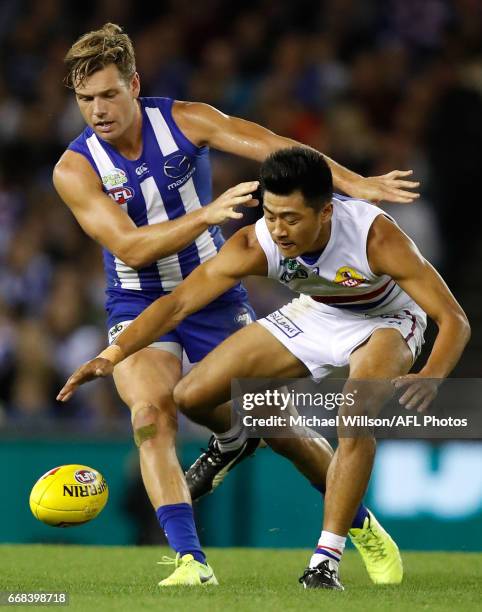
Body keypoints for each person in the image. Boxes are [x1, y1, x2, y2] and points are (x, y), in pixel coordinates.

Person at [53, 22, 420, 587]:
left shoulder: (185, 119)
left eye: (108, 94)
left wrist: (355, 184)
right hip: (138, 299)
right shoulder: (74, 169)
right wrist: (205, 214)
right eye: (84, 99)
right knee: (150, 414)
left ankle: (358, 522)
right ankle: (190, 562)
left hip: (213, 294)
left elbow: (281, 148)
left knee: (279, 428)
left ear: (134, 84)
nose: (97, 110)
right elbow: (127, 245)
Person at [58, 147, 470, 590]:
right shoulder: (257, 242)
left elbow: (454, 319)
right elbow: (176, 304)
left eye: (292, 218)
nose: (279, 229)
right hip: (319, 311)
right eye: (271, 214)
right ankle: (239, 440)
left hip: (386, 320)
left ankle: (325, 561)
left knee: (354, 414)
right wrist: (114, 354)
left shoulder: (377, 239)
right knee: (191, 395)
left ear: (326, 210)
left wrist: (433, 374)